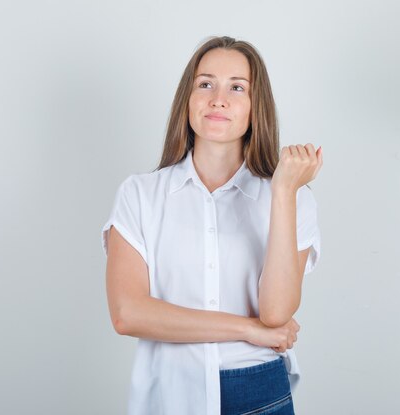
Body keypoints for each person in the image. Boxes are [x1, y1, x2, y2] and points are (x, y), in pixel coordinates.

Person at [101, 35, 323, 415]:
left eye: (237, 88)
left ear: (256, 108)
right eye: (206, 84)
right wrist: (246, 329)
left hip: (259, 389)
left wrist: (284, 191)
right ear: (187, 99)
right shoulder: (139, 193)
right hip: (170, 389)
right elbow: (128, 314)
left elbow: (275, 314)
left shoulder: (291, 198)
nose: (218, 99)